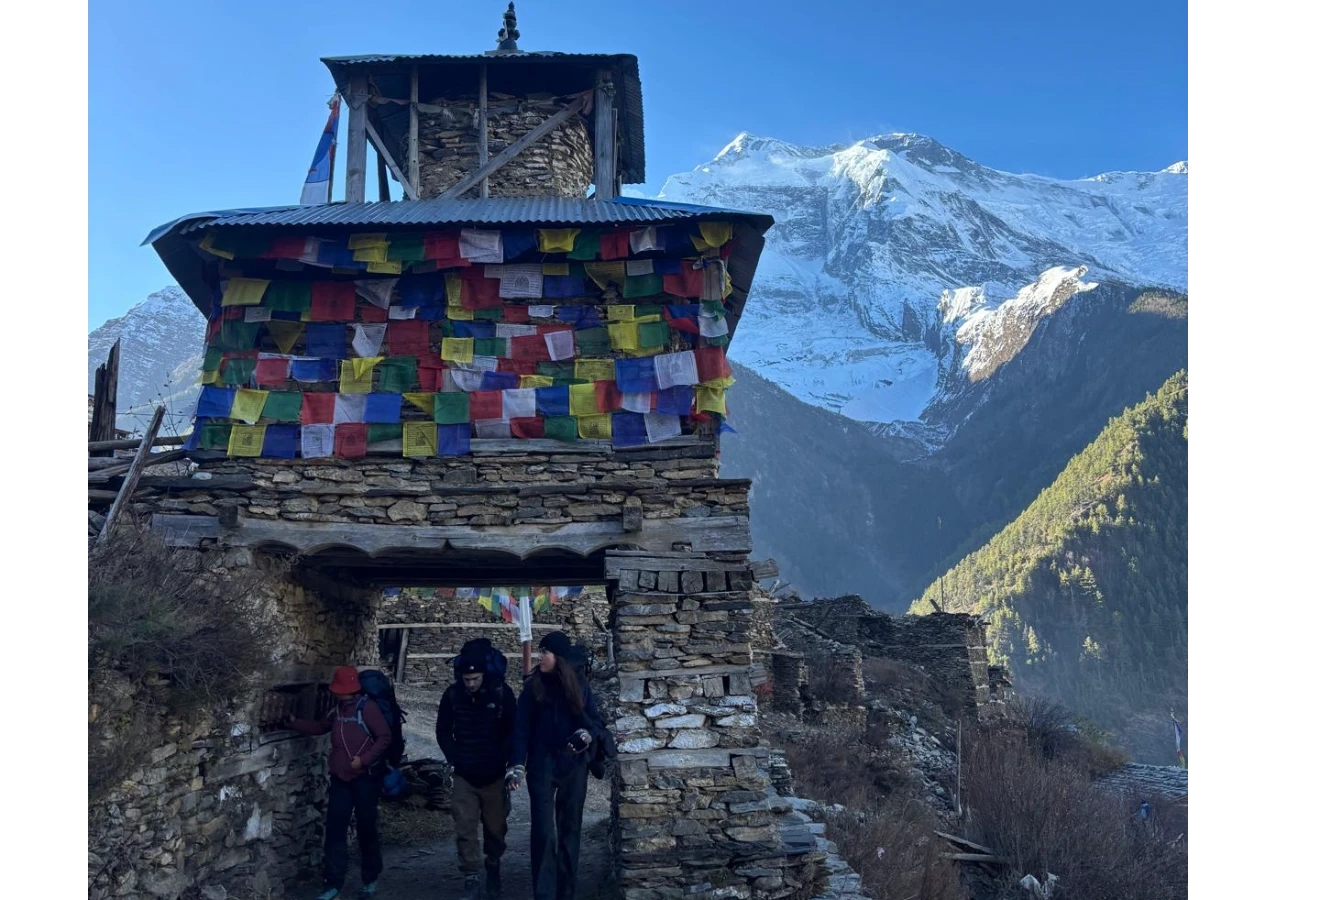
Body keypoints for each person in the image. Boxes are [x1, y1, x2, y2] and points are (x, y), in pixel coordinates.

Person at [505, 631, 606, 900]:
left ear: (558, 657)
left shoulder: (580, 686)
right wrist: (516, 764)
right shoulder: (532, 688)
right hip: (542, 764)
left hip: (574, 764)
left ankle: (567, 893)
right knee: (542, 831)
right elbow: (521, 730)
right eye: (539, 652)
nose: (540, 658)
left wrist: (585, 736)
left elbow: (595, 724)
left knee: (570, 829)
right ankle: (544, 894)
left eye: (544, 652)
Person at [287, 666, 392, 900]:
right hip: (341, 780)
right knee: (335, 831)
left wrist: (363, 761)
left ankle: (370, 881)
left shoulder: (368, 709)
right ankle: (333, 884)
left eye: (341, 691)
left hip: (365, 780)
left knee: (366, 830)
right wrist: (295, 723)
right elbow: (320, 728)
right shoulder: (337, 710)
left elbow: (384, 737)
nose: (338, 694)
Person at [435, 640, 517, 899]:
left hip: (494, 776)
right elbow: (443, 731)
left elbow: (514, 731)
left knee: (495, 829)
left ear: (485, 674)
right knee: (465, 826)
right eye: (467, 678)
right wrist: (454, 757)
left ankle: (493, 864)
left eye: (476, 678)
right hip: (464, 775)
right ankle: (470, 875)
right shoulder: (452, 695)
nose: (471, 683)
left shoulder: (502, 694)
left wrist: (503, 760)